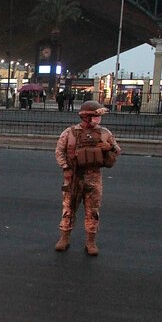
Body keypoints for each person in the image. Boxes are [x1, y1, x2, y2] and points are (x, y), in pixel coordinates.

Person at [54, 101, 121, 256]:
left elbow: (117, 150)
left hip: (93, 176)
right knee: (68, 209)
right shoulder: (70, 132)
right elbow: (59, 152)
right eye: (95, 116)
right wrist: (65, 168)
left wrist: (110, 147)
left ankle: (90, 242)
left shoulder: (105, 133)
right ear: (86, 117)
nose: (98, 119)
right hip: (74, 176)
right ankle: (64, 239)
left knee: (93, 211)